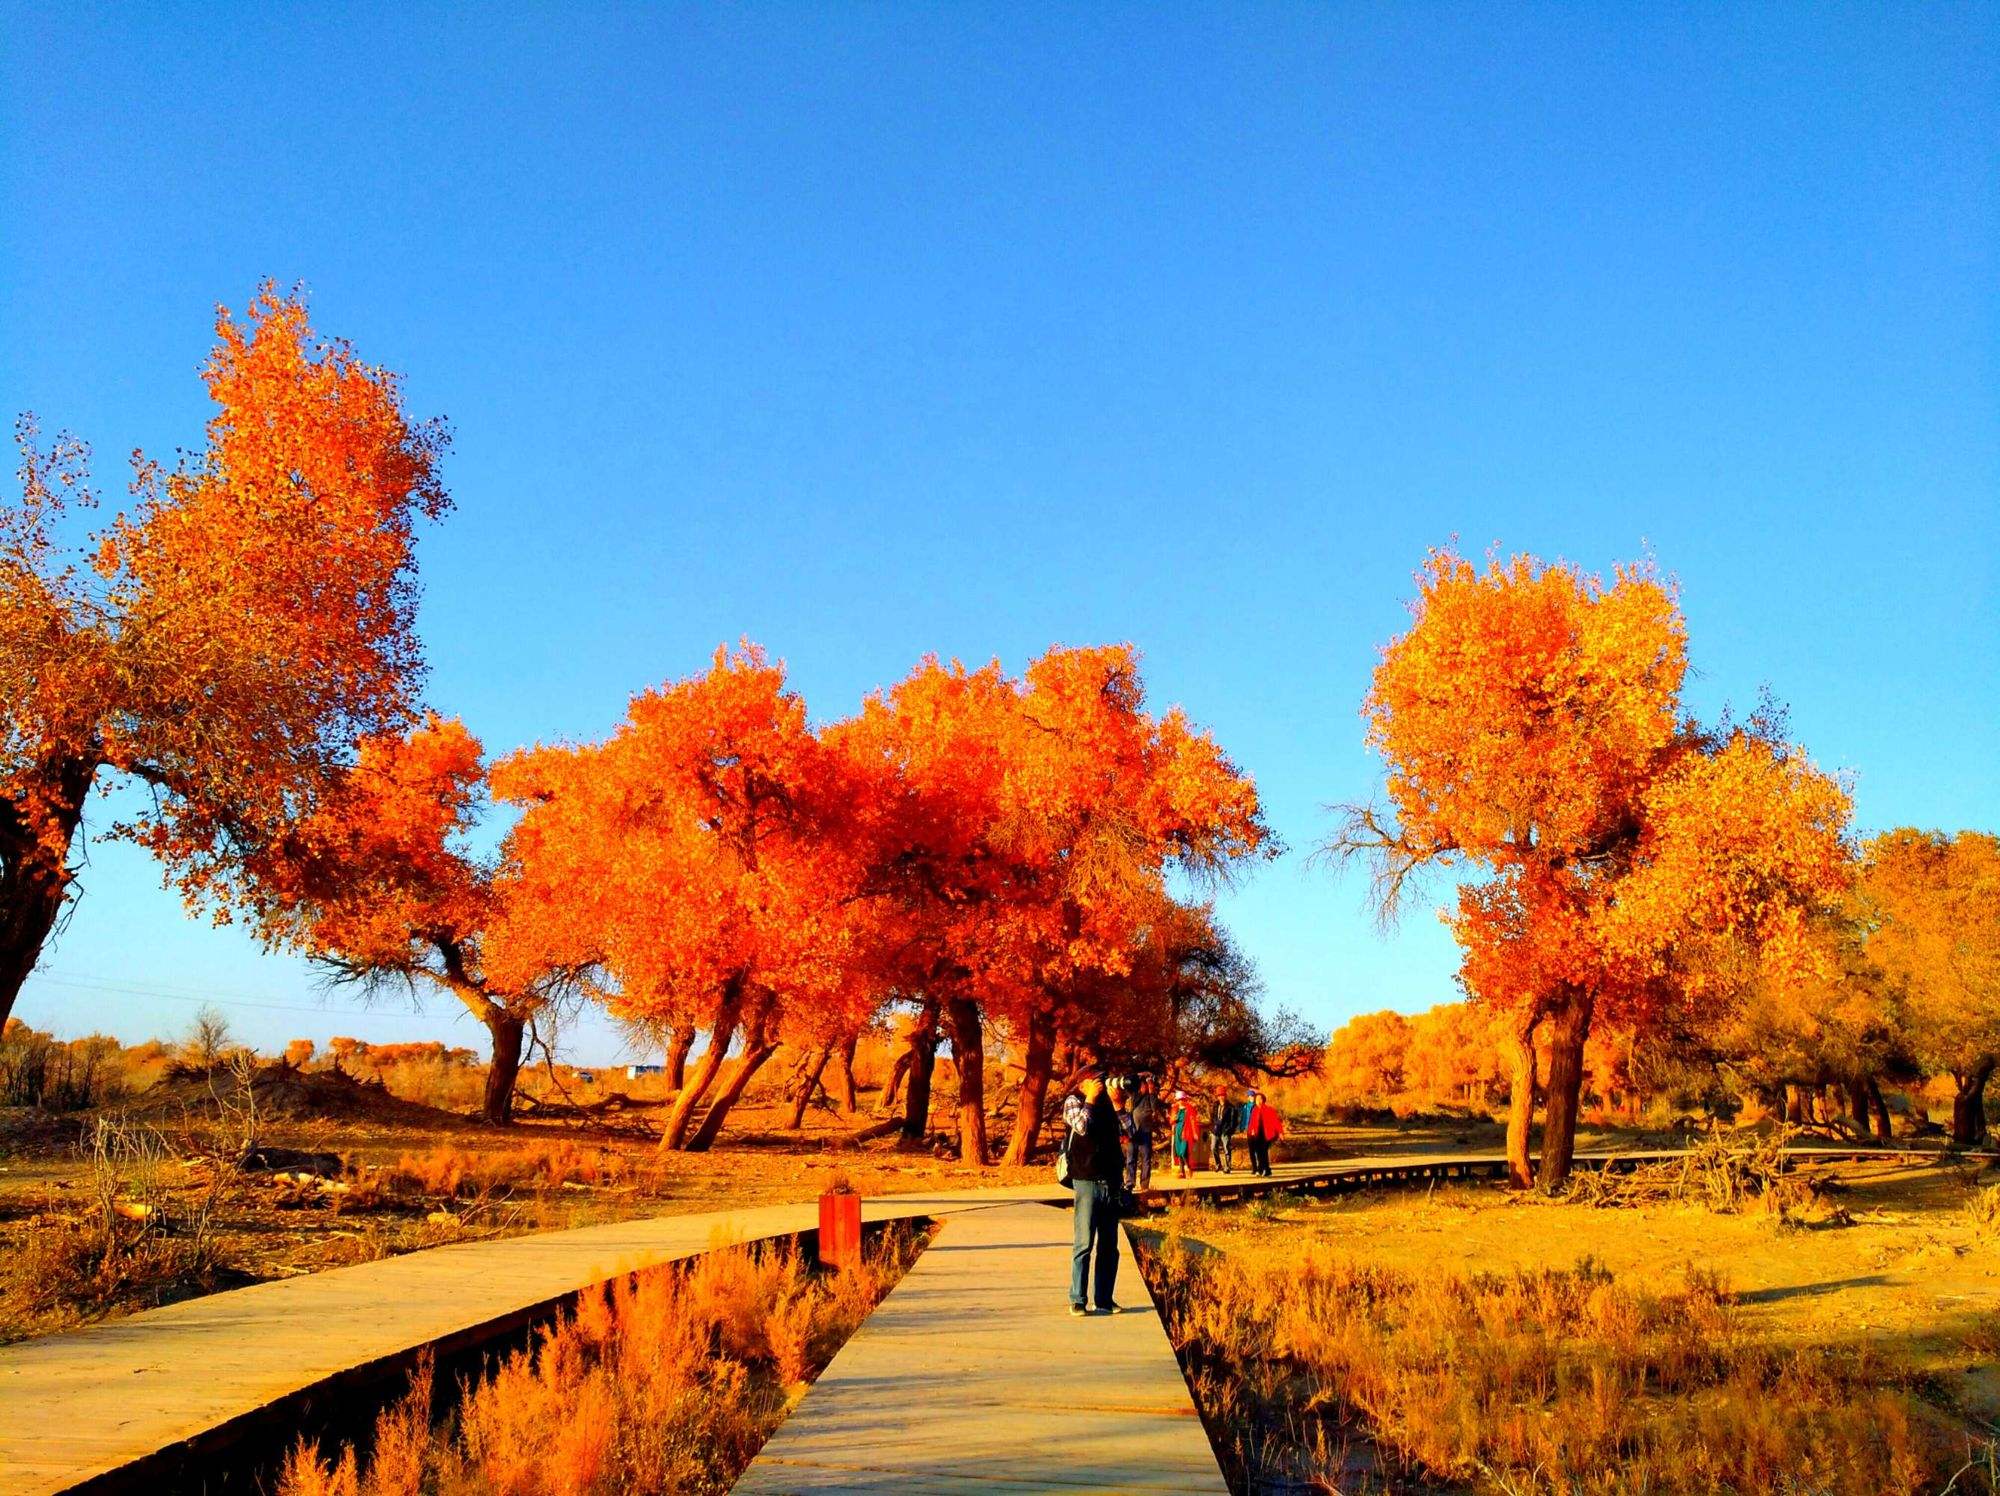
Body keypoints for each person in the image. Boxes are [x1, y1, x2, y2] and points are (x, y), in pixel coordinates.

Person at [1061, 1065, 1126, 1315]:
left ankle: (1104, 1299)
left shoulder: (1109, 1105)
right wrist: (1090, 1099)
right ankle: (1078, 1298)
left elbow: (1130, 1131)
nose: (1103, 1084)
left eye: (1104, 1080)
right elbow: (1081, 1127)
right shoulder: (1073, 1101)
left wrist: (1119, 1105)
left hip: (1110, 1180)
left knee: (1109, 1244)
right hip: (1086, 1180)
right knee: (1084, 1242)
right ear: (1083, 1083)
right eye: (1098, 1081)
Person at [1126, 1075, 1158, 1193]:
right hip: (1133, 1131)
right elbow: (1128, 1083)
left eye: (1147, 1084)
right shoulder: (1135, 1095)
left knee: (1146, 1159)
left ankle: (1144, 1184)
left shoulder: (1151, 1096)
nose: (1145, 1086)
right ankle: (1130, 1182)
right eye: (1144, 1084)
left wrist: (1152, 1092)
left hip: (1145, 1130)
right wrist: (1141, 1074)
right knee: (1131, 1157)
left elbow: (1154, 1107)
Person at [1245, 1090, 1284, 1176]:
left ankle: (1262, 1169)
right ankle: (1266, 1170)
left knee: (1262, 1151)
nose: (1258, 1101)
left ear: (1263, 1100)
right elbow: (1251, 1122)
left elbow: (1276, 1121)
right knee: (1260, 1152)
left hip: (1267, 1134)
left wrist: (1280, 1133)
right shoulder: (1254, 1110)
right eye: (1257, 1099)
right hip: (1257, 1134)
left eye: (1260, 1099)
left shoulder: (1269, 1109)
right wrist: (1250, 1131)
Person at [1170, 1088, 1200, 1179]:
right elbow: (1171, 1121)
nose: (1181, 1101)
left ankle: (1189, 1168)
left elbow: (1193, 1121)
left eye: (1182, 1099)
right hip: (1177, 1132)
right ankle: (1181, 1171)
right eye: (1179, 1099)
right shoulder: (1175, 1108)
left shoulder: (1189, 1109)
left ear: (1185, 1099)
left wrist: (1195, 1133)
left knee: (1183, 1152)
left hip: (1186, 1132)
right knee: (1179, 1152)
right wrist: (1173, 1119)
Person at [1209, 1085, 1239, 1174]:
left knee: (1227, 1148)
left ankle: (1227, 1167)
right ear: (1217, 1096)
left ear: (1225, 1096)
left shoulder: (1231, 1107)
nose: (1221, 1097)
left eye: (1223, 1095)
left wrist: (1230, 1130)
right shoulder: (1214, 1105)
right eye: (1219, 1095)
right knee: (1213, 1147)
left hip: (1225, 1130)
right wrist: (1212, 1128)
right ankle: (1218, 1165)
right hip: (1215, 1130)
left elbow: (1234, 1121)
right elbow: (1212, 1118)